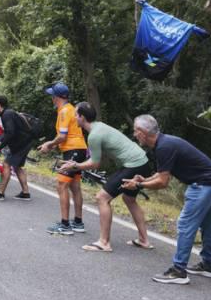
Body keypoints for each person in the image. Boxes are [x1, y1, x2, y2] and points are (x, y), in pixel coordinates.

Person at [123, 114, 211, 284]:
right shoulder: (163, 143)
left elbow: (163, 182)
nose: (134, 135)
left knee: (185, 223)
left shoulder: (164, 146)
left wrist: (139, 187)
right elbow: (162, 173)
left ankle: (179, 271)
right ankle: (207, 265)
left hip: (203, 184)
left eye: (135, 131)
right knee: (206, 224)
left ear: (142, 132)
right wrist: (143, 180)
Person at [59, 103, 155, 252]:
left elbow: (95, 163)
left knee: (102, 197)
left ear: (82, 117)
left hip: (134, 164)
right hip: (142, 162)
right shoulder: (99, 126)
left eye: (76, 114)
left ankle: (104, 242)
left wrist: (75, 166)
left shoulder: (94, 135)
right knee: (129, 199)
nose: (74, 117)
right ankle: (144, 240)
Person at [38, 83, 87, 235]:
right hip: (80, 149)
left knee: (61, 185)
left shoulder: (64, 111)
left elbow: (62, 136)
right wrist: (51, 145)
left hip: (72, 150)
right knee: (74, 186)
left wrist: (49, 144)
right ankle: (78, 222)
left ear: (57, 97)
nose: (51, 98)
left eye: (52, 95)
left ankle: (65, 225)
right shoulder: (71, 108)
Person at [0, 96, 33, 201]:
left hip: (21, 143)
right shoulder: (9, 113)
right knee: (17, 167)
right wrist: (2, 141)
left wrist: (0, 146)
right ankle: (25, 193)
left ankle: (0, 193)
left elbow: (10, 132)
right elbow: (10, 132)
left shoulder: (7, 114)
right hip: (25, 142)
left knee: (6, 164)